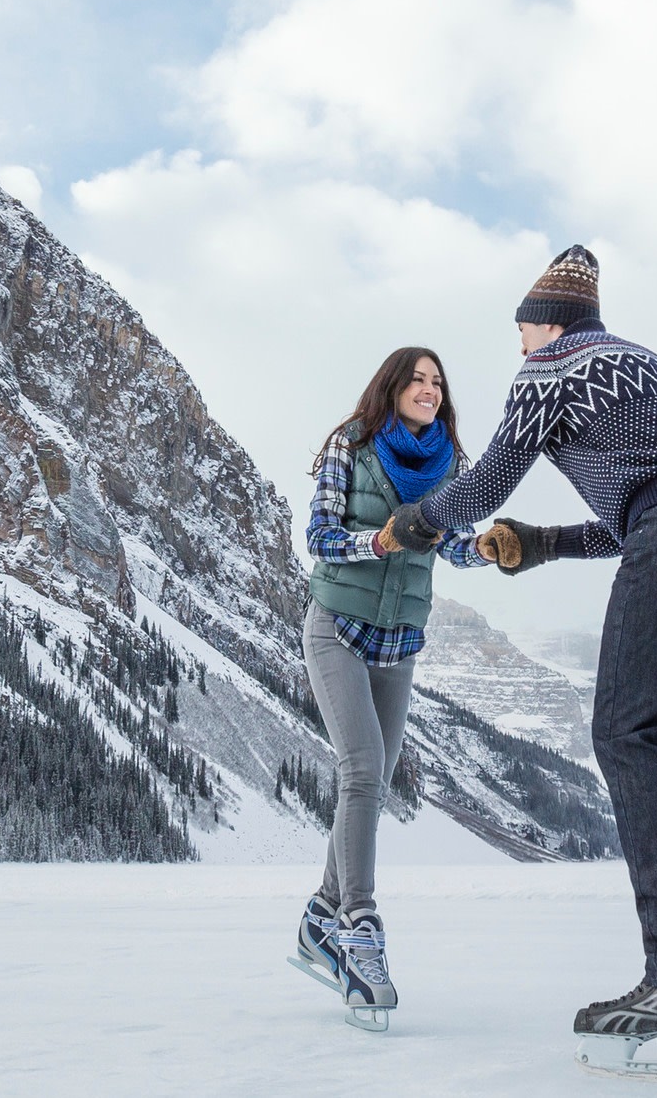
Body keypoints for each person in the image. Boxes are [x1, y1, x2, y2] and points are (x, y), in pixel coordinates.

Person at [376, 245, 657, 1068]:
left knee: (628, 735)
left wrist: (418, 521)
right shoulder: (652, 367)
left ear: (541, 322)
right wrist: (541, 543)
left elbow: (489, 480)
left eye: (520, 333)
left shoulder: (549, 367)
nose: (519, 348)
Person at [289, 345, 490, 1031]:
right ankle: (359, 932)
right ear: (394, 385)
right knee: (363, 770)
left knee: (368, 792)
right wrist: (376, 541)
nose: (430, 389)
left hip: (400, 641)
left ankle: (319, 916)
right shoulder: (352, 445)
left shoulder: (449, 467)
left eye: (438, 382)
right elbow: (319, 534)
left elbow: (449, 541)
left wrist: (486, 547)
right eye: (419, 379)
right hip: (337, 627)